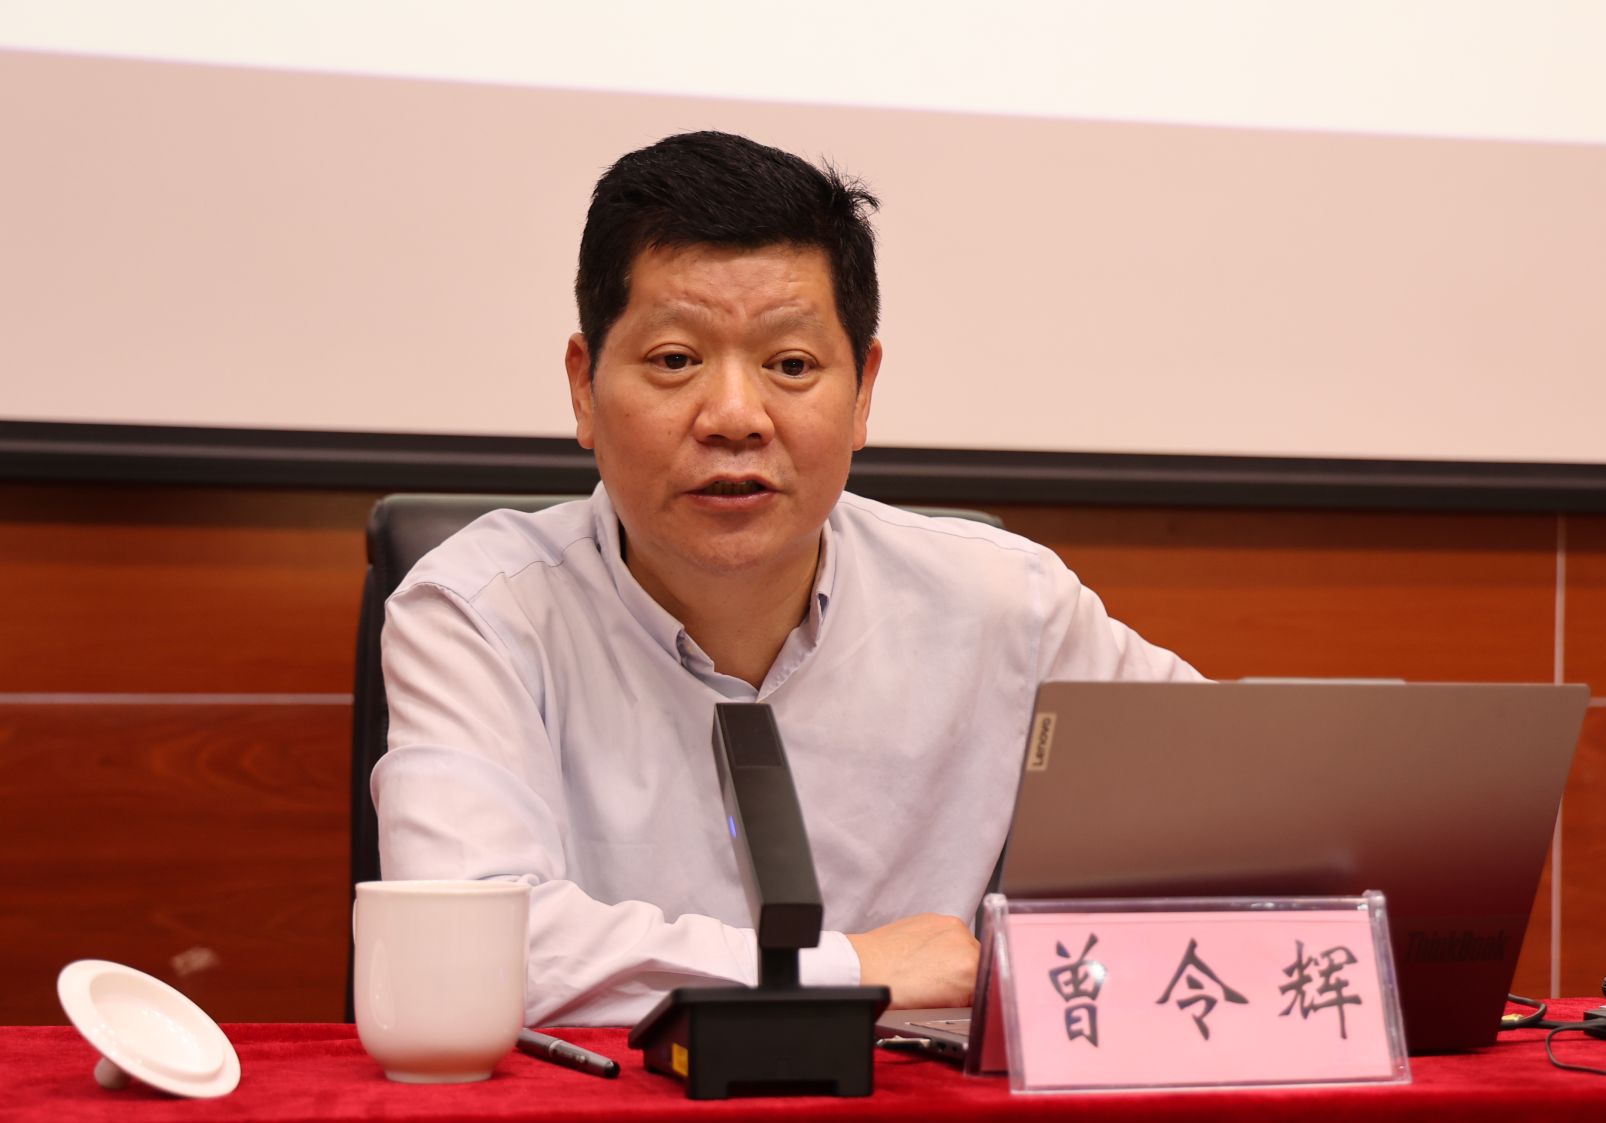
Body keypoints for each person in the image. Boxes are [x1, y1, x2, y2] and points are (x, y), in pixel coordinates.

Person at [373, 131, 1201, 1026]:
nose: (735, 417)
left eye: (791, 366)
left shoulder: (1010, 607)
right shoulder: (479, 612)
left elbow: (1242, 818)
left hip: (909, 1112)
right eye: (675, 360)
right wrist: (850, 969)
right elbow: (463, 947)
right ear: (584, 386)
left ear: (864, 390)